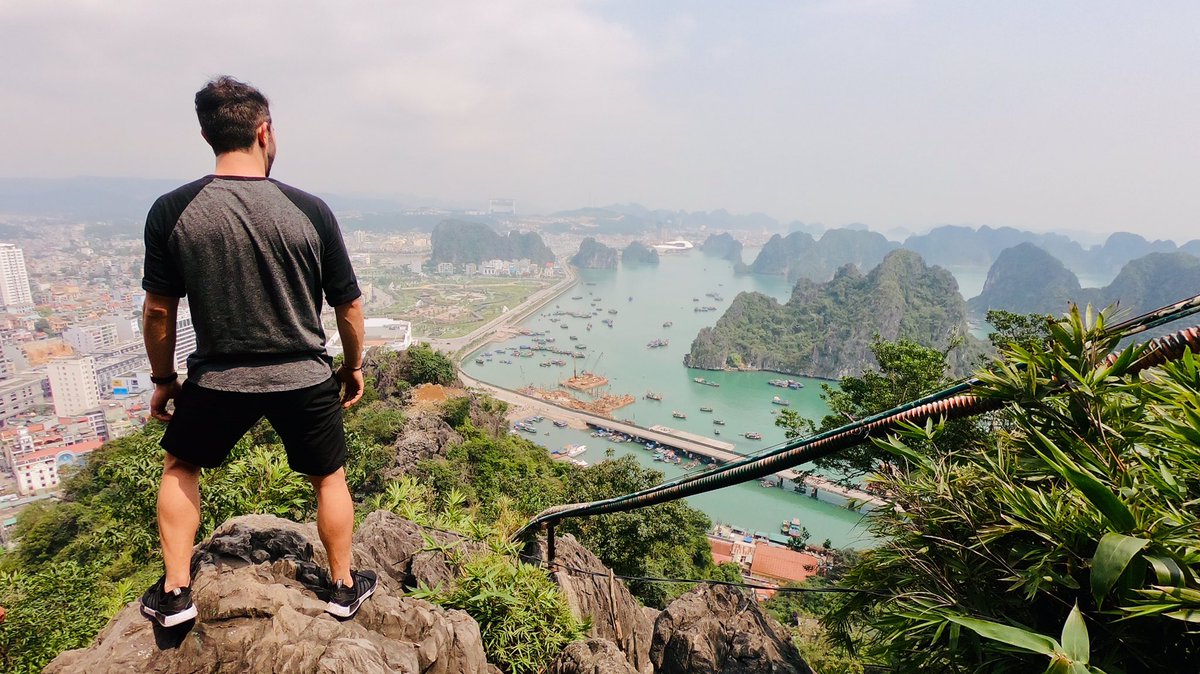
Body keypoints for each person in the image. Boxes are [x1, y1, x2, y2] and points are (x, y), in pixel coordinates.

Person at [138, 76, 375, 627]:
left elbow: (157, 311)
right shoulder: (309, 210)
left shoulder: (173, 210)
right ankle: (342, 586)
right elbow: (349, 308)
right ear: (264, 131)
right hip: (304, 374)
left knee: (181, 466)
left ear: (207, 134)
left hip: (218, 378)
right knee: (330, 477)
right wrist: (354, 366)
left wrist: (163, 378)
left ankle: (176, 592)